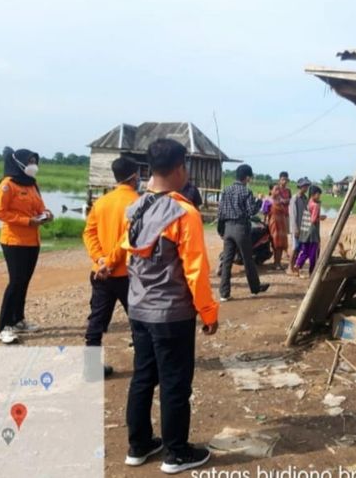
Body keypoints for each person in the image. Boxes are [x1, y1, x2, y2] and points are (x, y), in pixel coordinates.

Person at [122, 139, 218, 473]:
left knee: (143, 378)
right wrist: (209, 312)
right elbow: (196, 271)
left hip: (139, 309)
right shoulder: (184, 213)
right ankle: (176, 453)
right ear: (179, 168)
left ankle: (138, 445)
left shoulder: (135, 207)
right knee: (175, 383)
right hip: (172, 314)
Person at [82, 157, 140, 377]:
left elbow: (88, 233)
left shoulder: (102, 202)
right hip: (126, 273)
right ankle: (143, 365)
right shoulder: (137, 203)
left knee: (96, 320)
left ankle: (91, 368)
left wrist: (100, 260)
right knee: (137, 321)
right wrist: (111, 261)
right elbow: (129, 238)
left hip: (100, 274)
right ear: (135, 176)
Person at [0, 147, 53, 344]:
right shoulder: (7, 185)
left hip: (32, 241)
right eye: (30, 161)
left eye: (35, 161)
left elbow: (39, 206)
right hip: (14, 241)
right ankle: (3, 327)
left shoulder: (32, 184)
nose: (33, 165)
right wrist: (27, 221)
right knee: (16, 282)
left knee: (24, 281)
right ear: (19, 163)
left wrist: (46, 214)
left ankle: (18, 319)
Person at [217, 164, 270, 301]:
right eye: (250, 178)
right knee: (248, 260)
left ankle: (224, 293)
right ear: (246, 178)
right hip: (241, 228)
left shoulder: (226, 190)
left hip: (228, 227)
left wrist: (221, 230)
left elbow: (221, 211)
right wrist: (259, 200)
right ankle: (255, 287)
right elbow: (251, 211)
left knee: (227, 261)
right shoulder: (246, 191)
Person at [294, 185, 327, 276]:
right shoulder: (315, 205)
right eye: (318, 194)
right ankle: (312, 272)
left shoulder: (308, 203)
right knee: (313, 253)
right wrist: (321, 218)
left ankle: (297, 265)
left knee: (305, 252)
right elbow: (313, 220)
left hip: (305, 232)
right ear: (313, 194)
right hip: (312, 233)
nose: (319, 196)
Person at [268, 171, 291, 270]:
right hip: (274, 224)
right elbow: (266, 212)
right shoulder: (269, 201)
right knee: (276, 243)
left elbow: (288, 201)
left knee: (281, 243)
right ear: (272, 191)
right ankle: (276, 262)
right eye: (275, 190)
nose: (277, 192)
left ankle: (278, 262)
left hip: (282, 222)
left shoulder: (279, 202)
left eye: (278, 190)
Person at [288, 177, 311, 275]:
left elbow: (307, 212)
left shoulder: (305, 198)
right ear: (300, 187)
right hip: (296, 228)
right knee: (295, 247)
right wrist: (295, 228)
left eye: (307, 186)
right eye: (304, 186)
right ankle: (289, 267)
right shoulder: (295, 198)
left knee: (299, 248)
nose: (306, 188)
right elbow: (293, 214)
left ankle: (294, 267)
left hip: (303, 227)